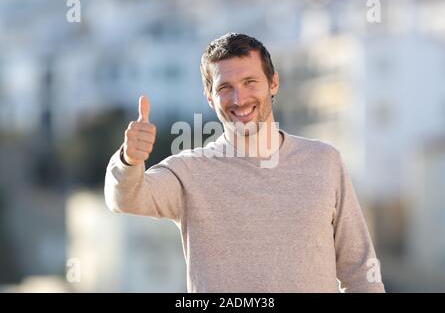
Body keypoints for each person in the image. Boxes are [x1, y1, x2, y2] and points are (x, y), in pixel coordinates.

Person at [104, 33, 385, 293]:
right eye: (225, 87)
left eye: (250, 82)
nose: (239, 99)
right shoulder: (187, 172)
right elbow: (126, 198)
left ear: (273, 83)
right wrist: (129, 160)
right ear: (210, 98)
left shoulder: (325, 161)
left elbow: (359, 269)